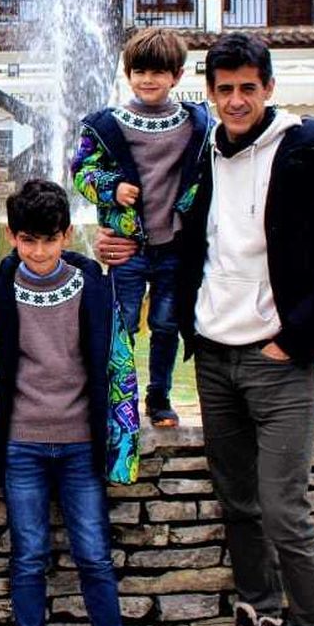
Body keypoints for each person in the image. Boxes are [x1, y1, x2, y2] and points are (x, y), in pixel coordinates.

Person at [97, 33, 314, 626]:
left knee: (283, 508)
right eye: (224, 89)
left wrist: (296, 338)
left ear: (269, 87)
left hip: (280, 360)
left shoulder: (308, 149)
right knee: (239, 503)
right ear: (210, 92)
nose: (236, 99)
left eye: (248, 87)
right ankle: (259, 624)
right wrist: (114, 238)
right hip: (215, 357)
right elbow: (175, 231)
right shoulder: (206, 150)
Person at [0, 179, 144, 626]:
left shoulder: (93, 286)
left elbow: (121, 365)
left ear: (66, 235)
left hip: (81, 446)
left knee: (95, 557)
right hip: (22, 446)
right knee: (29, 557)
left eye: (49, 240)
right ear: (13, 236)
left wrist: (124, 447)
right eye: (28, 241)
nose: (38, 252)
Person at [71, 26, 210, 428]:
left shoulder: (195, 124)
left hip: (173, 247)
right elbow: (81, 170)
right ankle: (121, 394)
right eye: (139, 71)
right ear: (127, 73)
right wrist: (112, 189)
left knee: (167, 324)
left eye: (158, 72)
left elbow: (205, 175)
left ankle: (159, 396)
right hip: (127, 247)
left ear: (176, 76)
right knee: (124, 322)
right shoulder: (108, 123)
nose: (148, 80)